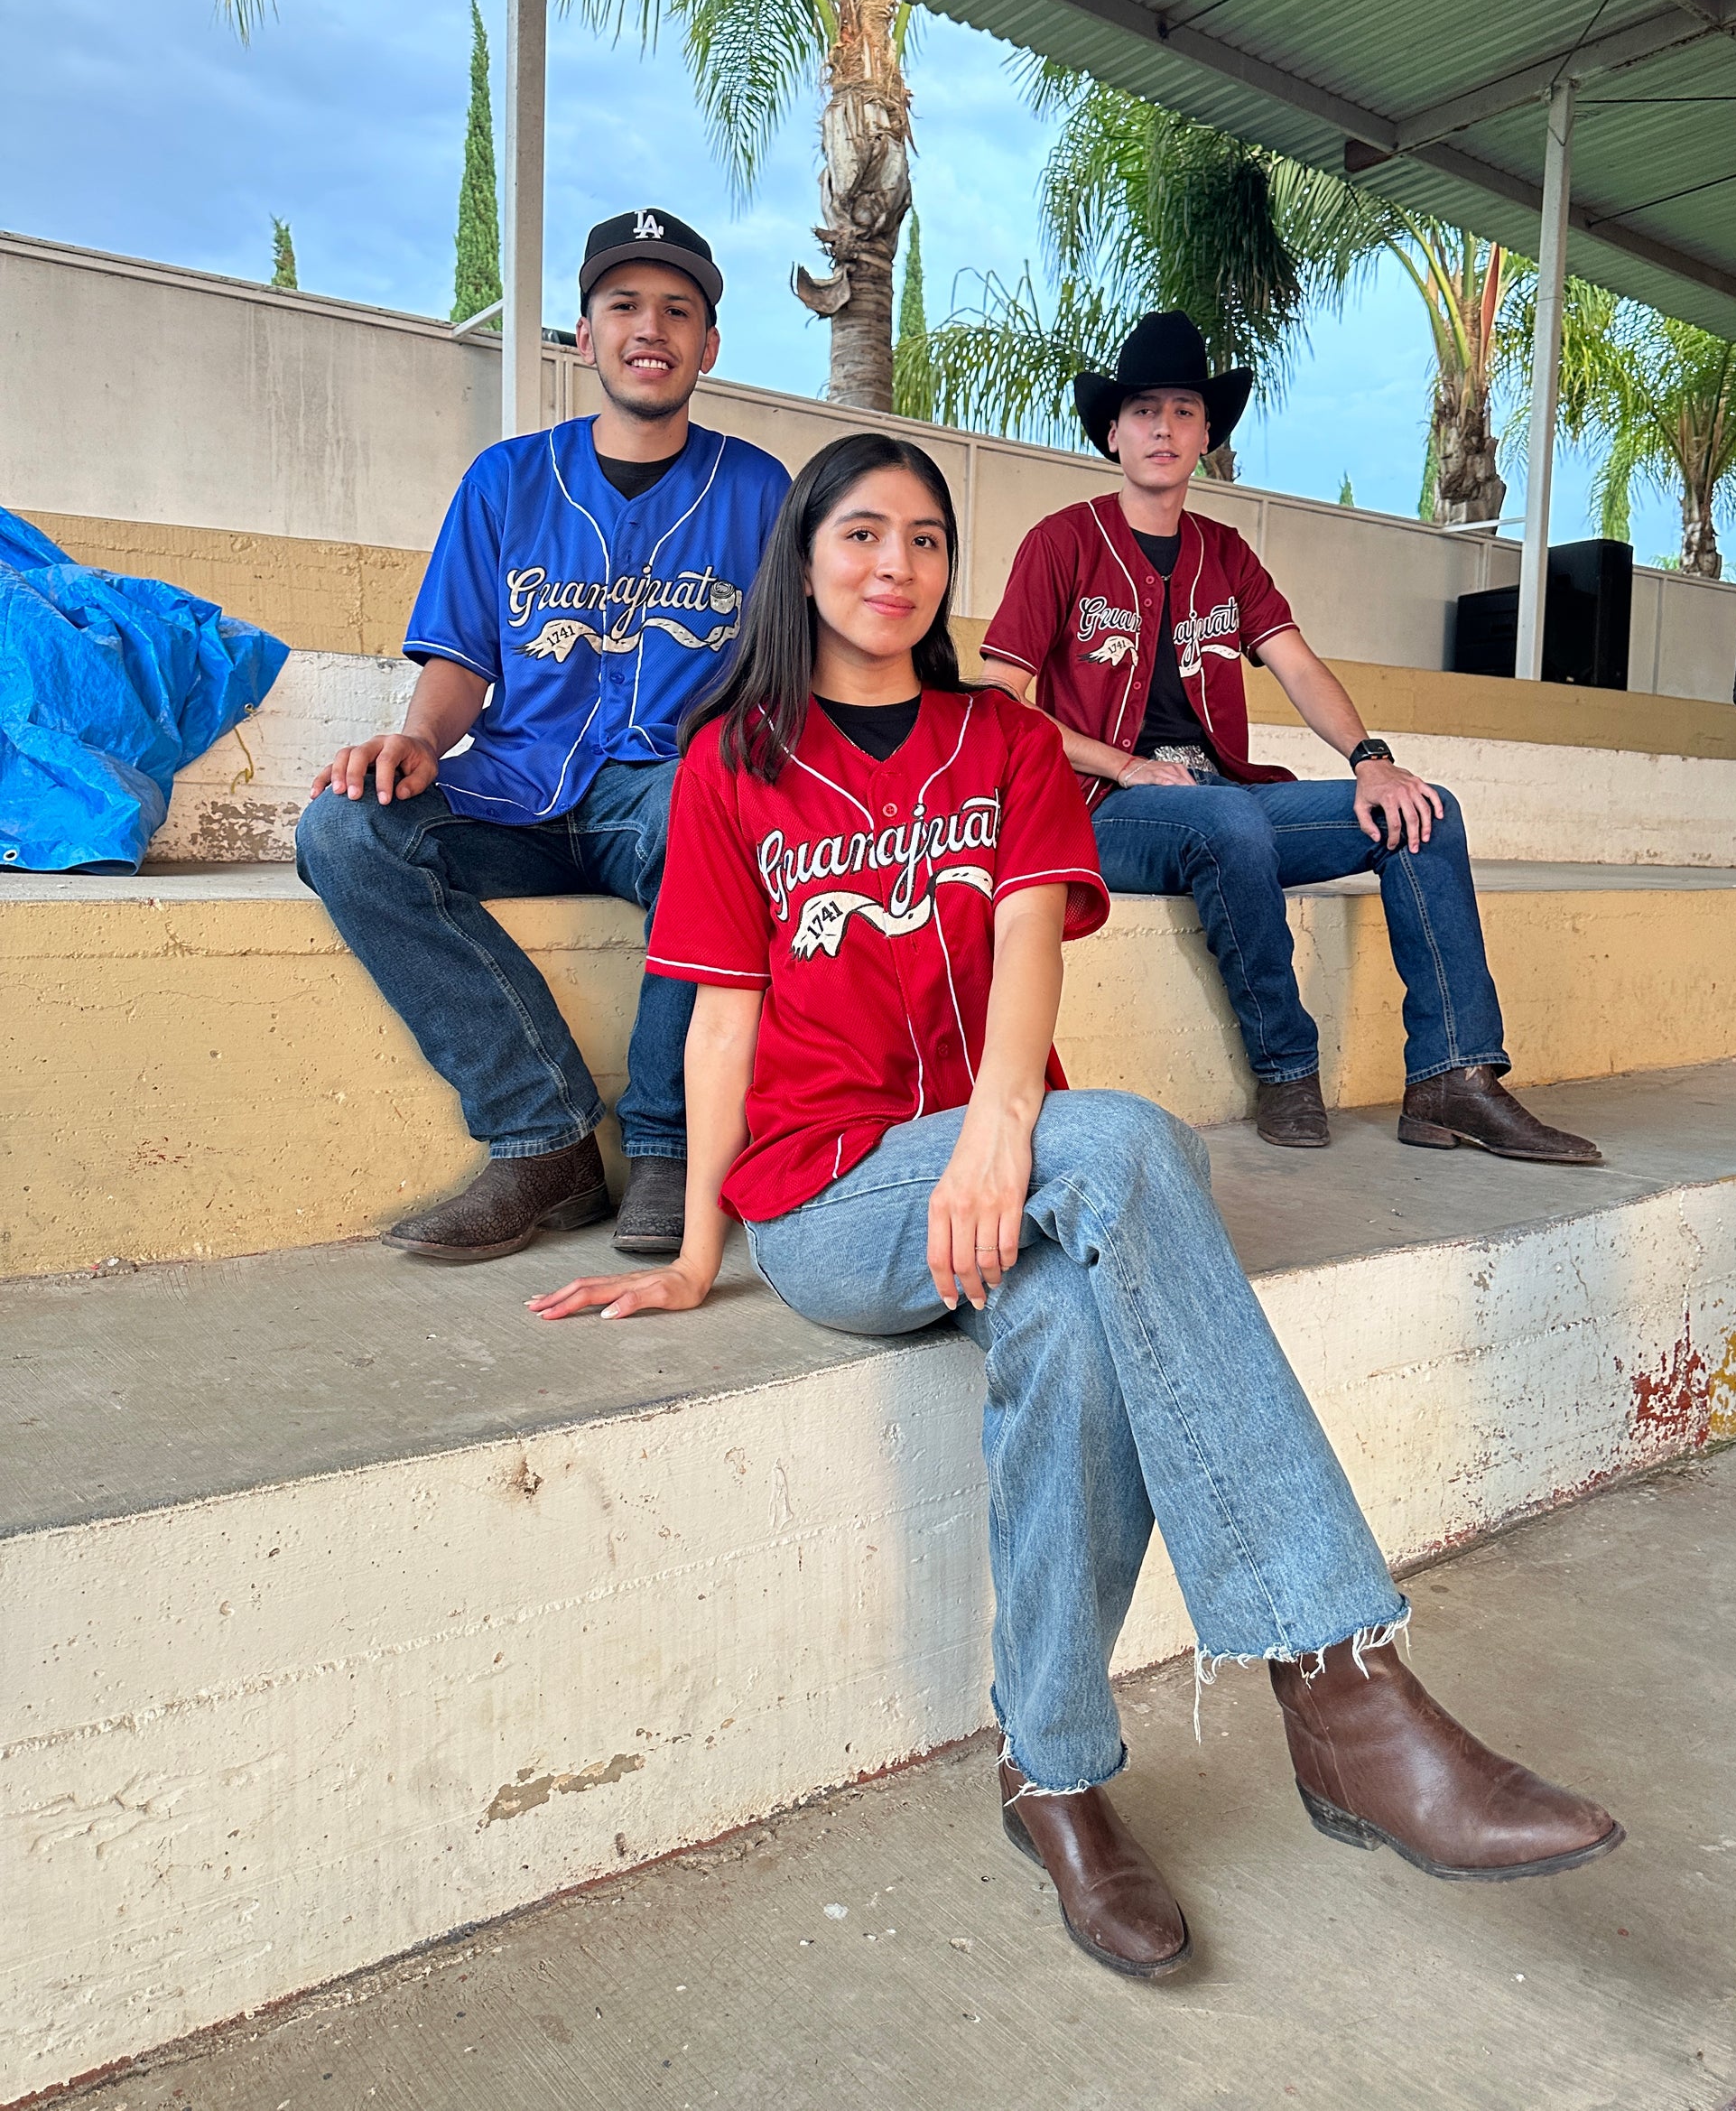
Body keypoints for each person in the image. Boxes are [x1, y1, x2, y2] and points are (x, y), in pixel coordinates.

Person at [526, 432, 1622, 1982]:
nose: (892, 566)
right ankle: (1342, 1689)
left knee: (1072, 1334)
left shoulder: (1001, 743)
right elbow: (717, 1022)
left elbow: (1032, 944)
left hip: (1003, 1171)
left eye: (922, 539)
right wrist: (701, 1250)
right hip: (834, 1199)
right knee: (1113, 1143)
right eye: (859, 536)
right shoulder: (734, 766)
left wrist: (993, 1133)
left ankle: (1050, 1776)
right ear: (802, 559)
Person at [979, 311, 1602, 1162]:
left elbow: (1299, 666)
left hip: (1227, 798)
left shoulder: (1226, 553)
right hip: (1102, 810)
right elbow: (1001, 701)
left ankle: (1452, 1081)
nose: (1163, 426)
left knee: (1426, 814)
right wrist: (1125, 766)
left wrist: (1373, 763)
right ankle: (1285, 1066)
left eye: (1185, 410)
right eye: (1144, 410)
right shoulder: (1062, 543)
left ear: (1206, 434)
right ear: (1114, 433)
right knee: (1227, 819)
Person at [297, 209, 790, 1260]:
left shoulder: (758, 491)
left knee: (717, 805)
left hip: (663, 791)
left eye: (676, 310)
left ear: (708, 347)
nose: (648, 327)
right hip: (513, 783)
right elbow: (460, 665)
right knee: (343, 832)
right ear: (583, 334)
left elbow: (787, 669)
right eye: (623, 305)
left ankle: (668, 1143)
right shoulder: (506, 480)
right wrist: (417, 741)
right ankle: (545, 1142)